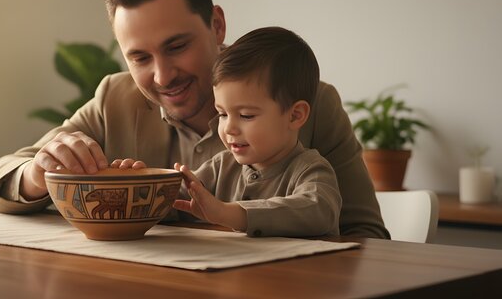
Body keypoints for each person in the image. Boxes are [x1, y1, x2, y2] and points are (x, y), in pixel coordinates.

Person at [0, 0, 389, 239]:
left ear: (216, 25)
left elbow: (368, 237)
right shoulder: (113, 99)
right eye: (139, 57)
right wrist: (38, 173)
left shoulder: (309, 101)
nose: (162, 76)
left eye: (176, 47)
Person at [114, 26, 341, 237]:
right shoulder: (221, 166)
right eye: (222, 114)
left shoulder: (310, 169)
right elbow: (174, 201)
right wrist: (137, 188)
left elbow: (318, 210)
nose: (229, 128)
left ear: (295, 115)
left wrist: (228, 213)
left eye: (246, 116)